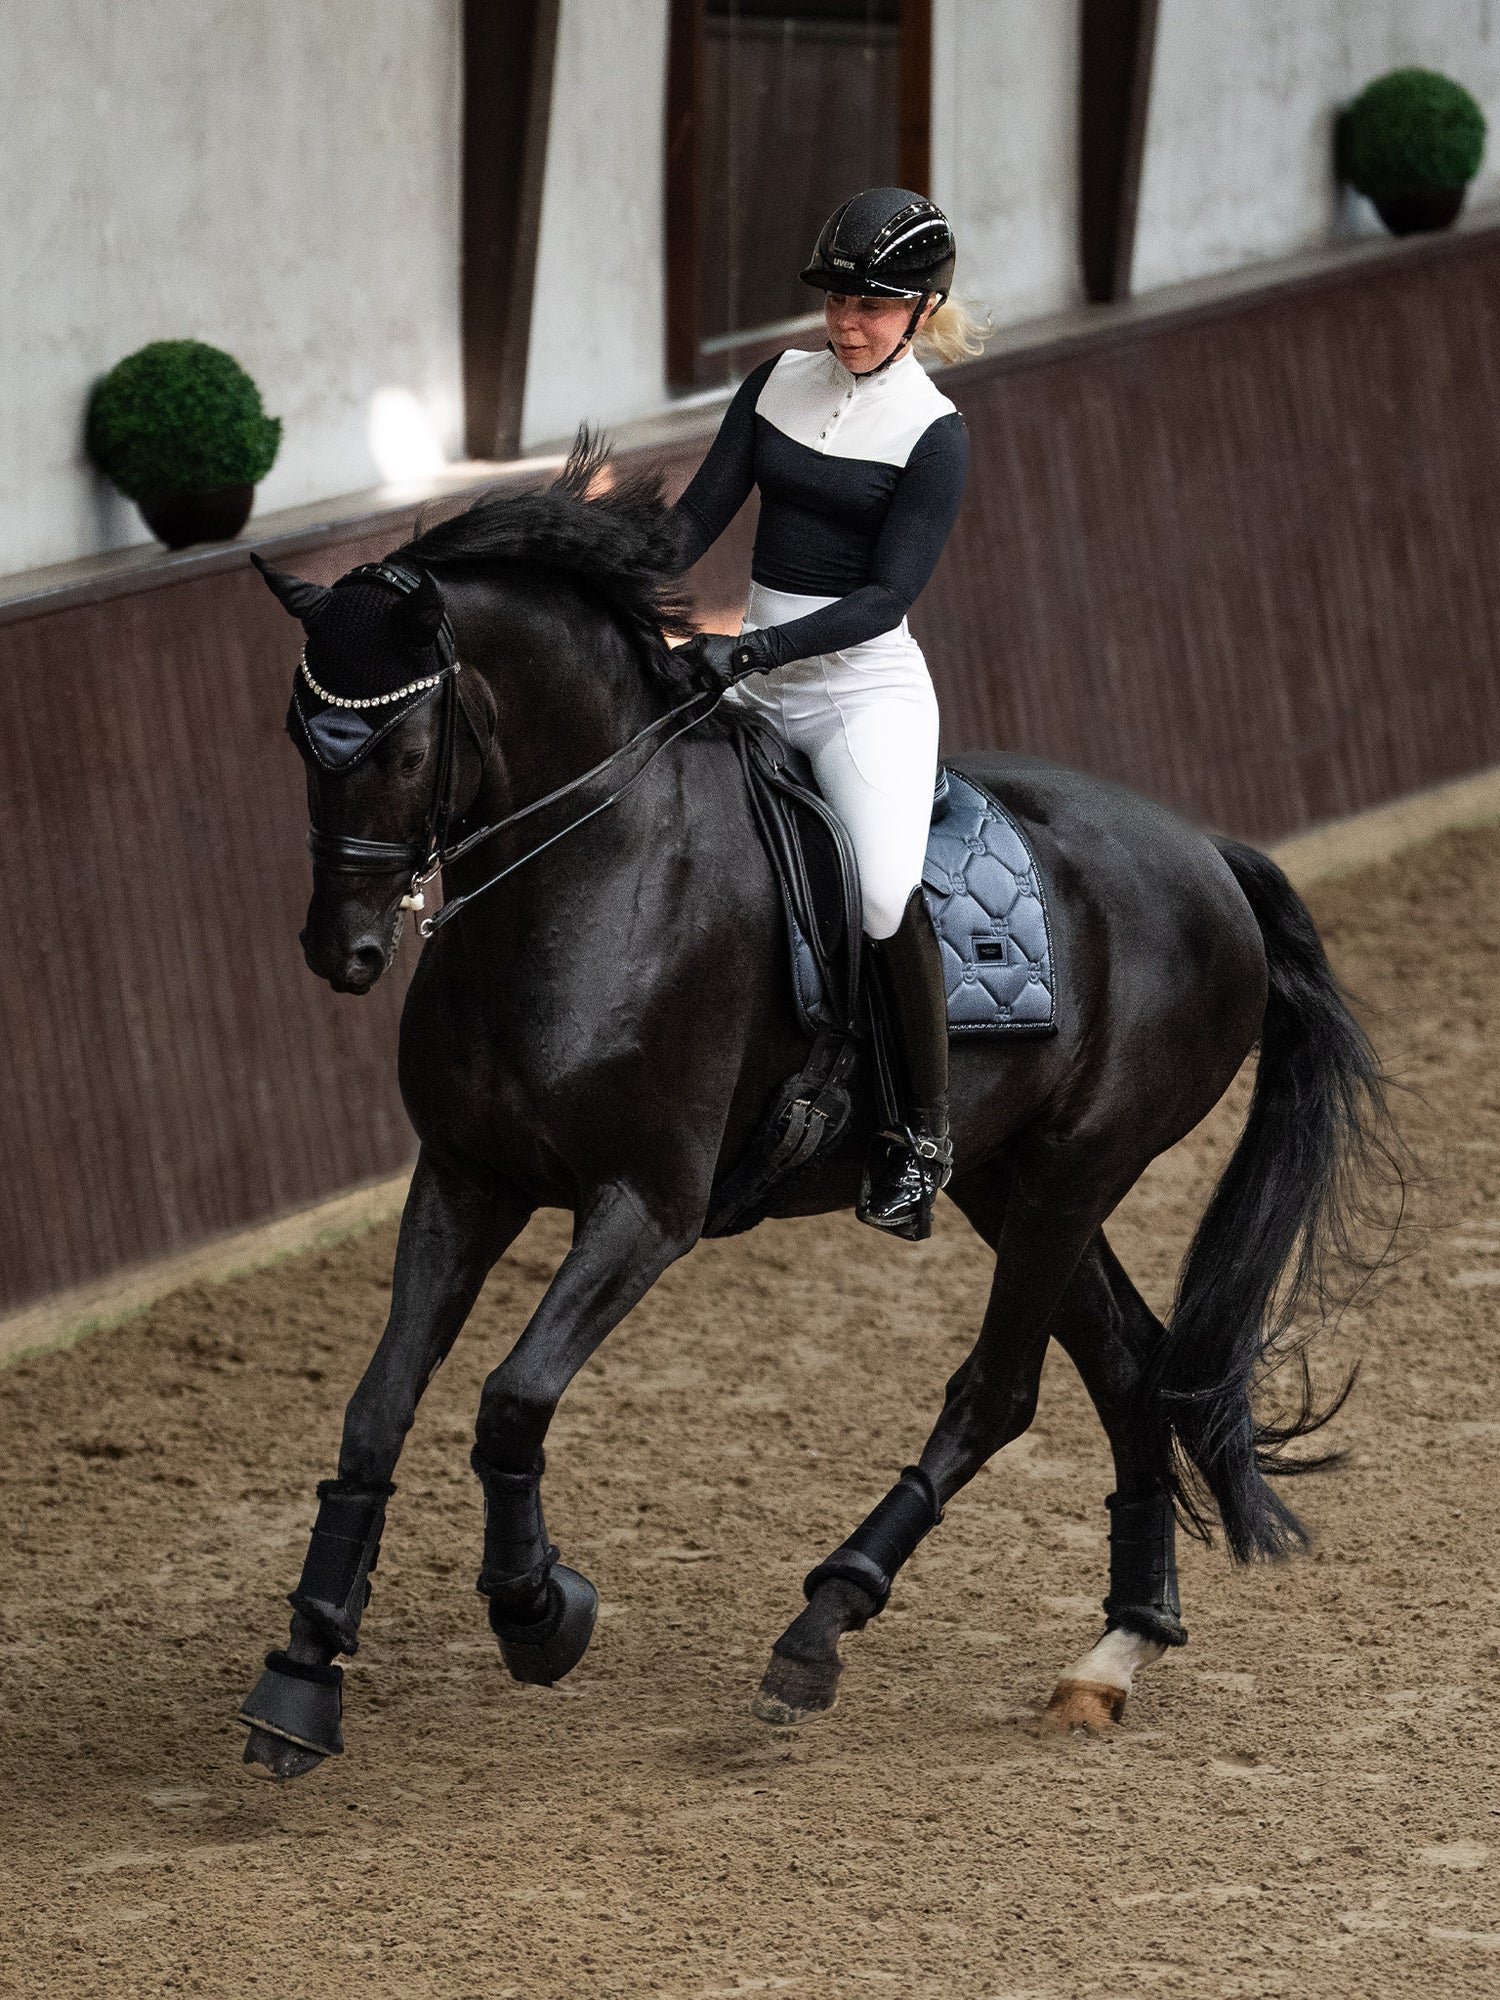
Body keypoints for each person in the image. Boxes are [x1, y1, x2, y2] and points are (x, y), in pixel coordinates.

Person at [672, 187, 984, 1241]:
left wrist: (747, 647)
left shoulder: (933, 433)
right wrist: (590, 568)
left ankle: (919, 1134)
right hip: (754, 675)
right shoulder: (777, 382)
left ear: (924, 306)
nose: (849, 322)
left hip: (859, 692)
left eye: (877, 305)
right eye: (838, 300)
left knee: (887, 893)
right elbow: (695, 522)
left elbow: (882, 600)